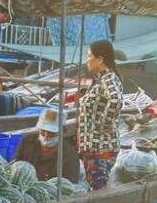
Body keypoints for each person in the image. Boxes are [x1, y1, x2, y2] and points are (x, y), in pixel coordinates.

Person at [77, 39, 124, 190]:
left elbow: (116, 99)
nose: (87, 60)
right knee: (95, 186)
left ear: (100, 59)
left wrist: (106, 123)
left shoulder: (108, 78)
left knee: (98, 189)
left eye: (89, 56)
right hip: (94, 147)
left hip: (101, 148)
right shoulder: (100, 79)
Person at [13, 107, 81, 182]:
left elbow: (69, 185)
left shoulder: (69, 155)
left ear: (61, 131)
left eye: (51, 133)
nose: (46, 136)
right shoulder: (27, 141)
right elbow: (16, 163)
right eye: (43, 131)